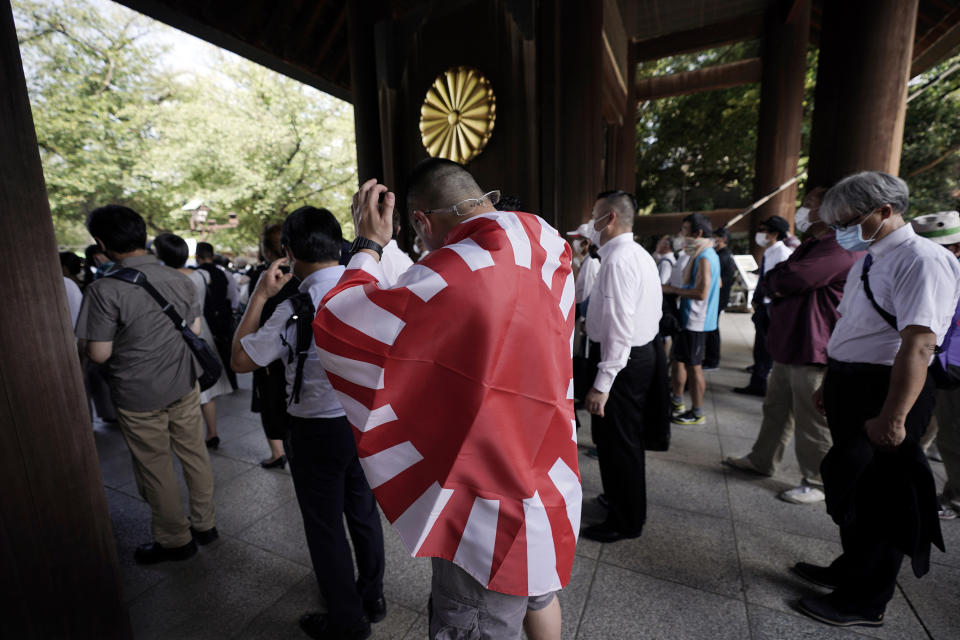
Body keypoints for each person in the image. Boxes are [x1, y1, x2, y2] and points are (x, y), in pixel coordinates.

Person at [313, 160, 581, 640]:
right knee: (539, 591)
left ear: (421, 221)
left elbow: (341, 326)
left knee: (474, 617)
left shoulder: (455, 270)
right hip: (546, 469)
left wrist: (369, 244)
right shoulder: (548, 246)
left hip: (488, 497)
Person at [793, 172, 960, 627]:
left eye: (847, 220)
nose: (840, 230)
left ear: (885, 211)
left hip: (887, 389)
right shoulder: (870, 256)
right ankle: (850, 570)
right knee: (853, 486)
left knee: (885, 498)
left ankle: (865, 601)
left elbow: (919, 344)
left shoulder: (923, 260)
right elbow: (854, 326)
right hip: (854, 381)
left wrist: (895, 415)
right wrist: (832, 379)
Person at [232, 207, 386, 640]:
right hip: (364, 422)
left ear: (288, 252)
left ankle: (346, 619)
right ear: (339, 243)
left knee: (324, 526)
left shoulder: (295, 309)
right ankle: (372, 596)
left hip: (315, 429)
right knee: (362, 511)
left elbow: (241, 360)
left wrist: (260, 296)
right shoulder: (370, 289)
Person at [75, 205, 217, 564]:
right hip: (184, 383)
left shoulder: (104, 289)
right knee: (194, 454)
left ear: (102, 243)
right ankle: (205, 524)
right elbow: (195, 331)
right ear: (142, 236)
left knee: (155, 466)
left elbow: (100, 354)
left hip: (137, 394)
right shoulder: (180, 278)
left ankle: (175, 540)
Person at [723, 188, 860, 504]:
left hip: (814, 345)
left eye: (809, 205)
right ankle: (762, 459)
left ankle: (817, 480)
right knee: (776, 408)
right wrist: (778, 281)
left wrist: (778, 282)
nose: (803, 210)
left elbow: (788, 279)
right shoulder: (814, 244)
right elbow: (779, 278)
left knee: (812, 418)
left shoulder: (838, 246)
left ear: (830, 210)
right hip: (792, 342)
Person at [582, 190, 663, 543]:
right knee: (621, 440)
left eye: (594, 215)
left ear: (609, 217)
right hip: (637, 355)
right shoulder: (635, 252)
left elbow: (619, 325)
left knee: (619, 442)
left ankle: (626, 520)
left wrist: (603, 383)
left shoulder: (617, 259)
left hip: (624, 361)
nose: (590, 224)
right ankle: (619, 498)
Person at [153, 233, 234, 451]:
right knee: (206, 381)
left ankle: (188, 436)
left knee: (184, 384)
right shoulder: (200, 276)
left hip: (177, 332)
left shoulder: (162, 279)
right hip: (201, 327)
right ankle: (212, 432)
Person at [912, 211, 960, 519]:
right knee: (935, 428)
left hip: (952, 368)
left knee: (952, 432)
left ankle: (955, 498)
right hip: (942, 364)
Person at [247, 223, 300, 468]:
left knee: (271, 400)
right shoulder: (302, 273)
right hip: (299, 349)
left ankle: (278, 452)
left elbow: (253, 319)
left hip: (269, 351)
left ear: (268, 251)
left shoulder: (264, 277)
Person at [663, 213, 721, 425]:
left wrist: (673, 289)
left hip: (696, 320)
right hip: (689, 318)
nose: (681, 235)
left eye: (685, 231)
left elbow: (701, 292)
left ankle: (697, 412)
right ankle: (678, 401)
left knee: (693, 367)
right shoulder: (703, 253)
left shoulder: (705, 256)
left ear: (697, 233)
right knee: (679, 361)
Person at [736, 215, 793, 396]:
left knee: (764, 347)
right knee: (761, 346)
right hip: (764, 304)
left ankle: (759, 384)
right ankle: (757, 382)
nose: (760, 234)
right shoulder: (771, 252)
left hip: (771, 307)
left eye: (764, 231)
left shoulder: (783, 254)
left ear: (774, 234)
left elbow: (781, 282)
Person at [703, 227, 737, 370]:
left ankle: (712, 360)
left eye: (715, 237)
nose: (712, 239)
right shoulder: (721, 255)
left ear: (723, 239)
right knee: (712, 329)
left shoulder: (722, 256)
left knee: (712, 330)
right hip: (719, 298)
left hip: (718, 298)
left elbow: (719, 281)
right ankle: (711, 358)